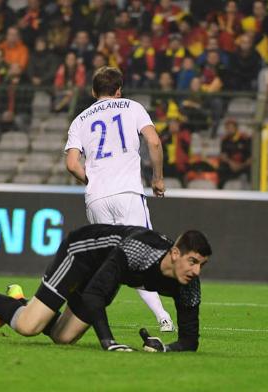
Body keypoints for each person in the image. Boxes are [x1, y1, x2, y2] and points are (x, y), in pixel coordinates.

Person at [0, 225, 212, 352]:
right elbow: (96, 294)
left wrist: (165, 348)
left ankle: (20, 299)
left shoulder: (189, 282)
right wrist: (108, 342)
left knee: (63, 338)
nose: (196, 271)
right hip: (81, 255)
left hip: (104, 272)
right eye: (193, 261)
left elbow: (190, 341)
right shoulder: (139, 250)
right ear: (175, 253)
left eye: (201, 265)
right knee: (28, 326)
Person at [64, 66, 174, 332]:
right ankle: (163, 318)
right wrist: (157, 178)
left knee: (106, 262)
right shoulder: (132, 107)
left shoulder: (80, 119)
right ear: (118, 90)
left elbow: (71, 164)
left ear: (93, 91)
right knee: (142, 255)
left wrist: (94, 181)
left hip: (97, 198)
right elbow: (154, 142)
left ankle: (77, 321)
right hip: (127, 193)